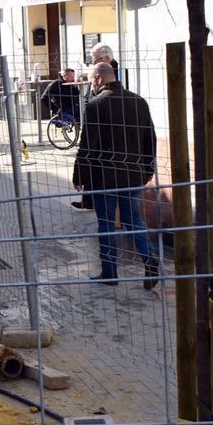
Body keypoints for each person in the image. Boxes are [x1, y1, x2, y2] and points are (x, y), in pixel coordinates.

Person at [73, 62, 160, 289]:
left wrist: (79, 176)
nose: (91, 85)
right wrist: (146, 170)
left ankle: (110, 273)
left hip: (104, 178)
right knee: (134, 221)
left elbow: (88, 145)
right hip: (132, 175)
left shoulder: (95, 105)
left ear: (100, 78)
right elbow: (150, 139)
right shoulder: (139, 101)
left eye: (91, 81)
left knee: (106, 225)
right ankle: (149, 258)